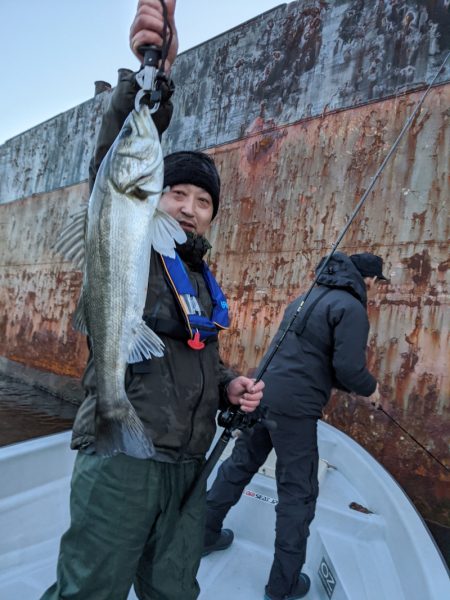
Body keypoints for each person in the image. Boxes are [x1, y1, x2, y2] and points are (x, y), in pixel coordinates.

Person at [40, 2, 264, 600]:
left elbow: (195, 360)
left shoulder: (199, 278)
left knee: (174, 591)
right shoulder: (132, 234)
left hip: (188, 468)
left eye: (203, 201)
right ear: (151, 195)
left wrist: (228, 386)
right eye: (177, 193)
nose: (189, 207)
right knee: (90, 590)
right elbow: (112, 167)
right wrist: (147, 85)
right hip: (124, 464)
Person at [203, 251, 388, 600]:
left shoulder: (303, 299)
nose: (375, 291)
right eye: (377, 284)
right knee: (298, 494)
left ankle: (204, 535)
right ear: (368, 281)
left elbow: (310, 358)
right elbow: (347, 369)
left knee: (240, 464)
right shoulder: (351, 309)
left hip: (262, 392)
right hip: (296, 410)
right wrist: (371, 389)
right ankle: (283, 585)